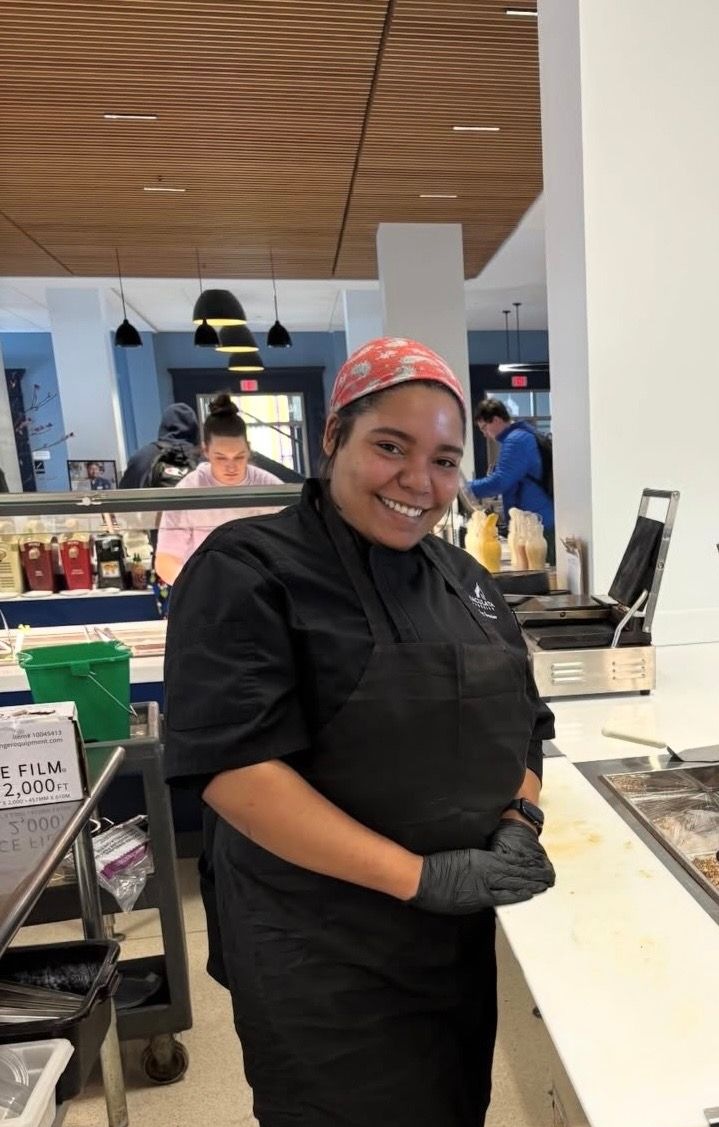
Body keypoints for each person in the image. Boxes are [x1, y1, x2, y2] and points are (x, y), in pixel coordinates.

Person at [162, 338, 555, 1127]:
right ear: (334, 435)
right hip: (317, 954)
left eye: (446, 460)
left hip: (448, 948)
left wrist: (519, 818)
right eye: (390, 447)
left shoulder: (465, 581)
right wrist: (418, 876)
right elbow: (237, 774)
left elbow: (525, 727)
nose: (420, 481)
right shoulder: (248, 569)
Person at [154, 395, 284, 584]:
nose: (231, 467)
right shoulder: (188, 492)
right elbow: (166, 561)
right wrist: (201, 588)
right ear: (206, 451)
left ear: (248, 449)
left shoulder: (271, 488)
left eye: (239, 457)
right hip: (206, 593)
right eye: (221, 458)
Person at [469, 398, 555, 561]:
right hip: (539, 523)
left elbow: (500, 481)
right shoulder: (523, 435)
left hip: (538, 527)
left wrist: (465, 488)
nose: (485, 434)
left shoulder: (516, 441)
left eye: (484, 428)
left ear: (496, 420)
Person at [119, 403, 201, 489]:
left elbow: (121, 497)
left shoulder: (141, 458)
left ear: (164, 425)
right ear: (195, 428)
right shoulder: (206, 459)